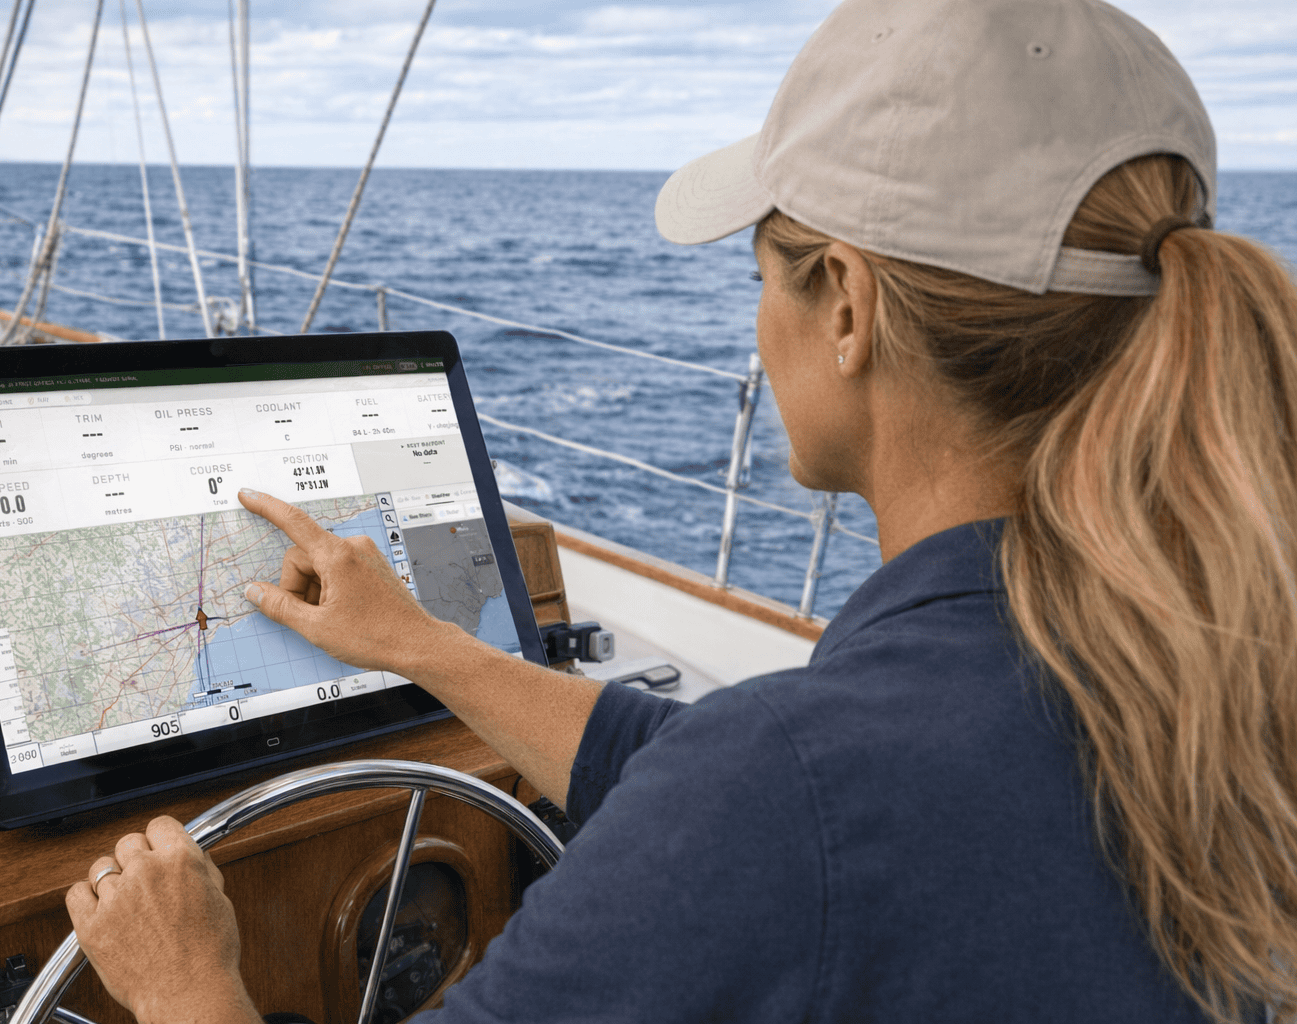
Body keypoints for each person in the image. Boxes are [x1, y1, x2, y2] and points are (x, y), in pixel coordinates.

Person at [64, 0, 1297, 1020]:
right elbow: (717, 776)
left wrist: (186, 983)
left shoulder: (794, 784)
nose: (757, 320)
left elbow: (763, 796)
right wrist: (421, 644)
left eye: (762, 272)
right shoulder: (1194, 658)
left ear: (849, 306)